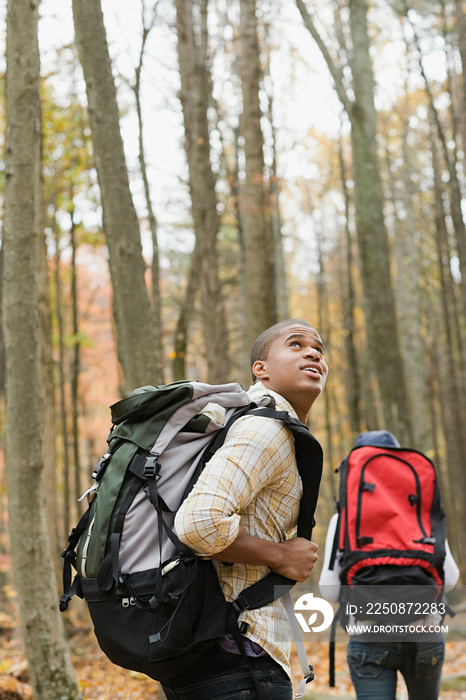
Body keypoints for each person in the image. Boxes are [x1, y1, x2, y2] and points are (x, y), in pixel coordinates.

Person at [159, 319, 328, 700]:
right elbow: (198, 523)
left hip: (219, 653)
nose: (314, 352)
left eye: (318, 348)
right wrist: (282, 555)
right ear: (261, 369)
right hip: (237, 657)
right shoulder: (264, 429)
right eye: (296, 344)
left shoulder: (254, 425)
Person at [319, 430, 459, 700]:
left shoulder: (343, 520)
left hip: (368, 635)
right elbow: (449, 578)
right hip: (425, 632)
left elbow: (330, 592)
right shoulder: (422, 512)